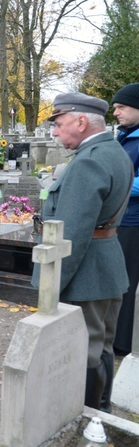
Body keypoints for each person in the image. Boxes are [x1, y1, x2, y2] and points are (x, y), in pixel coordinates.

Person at [32, 92, 133, 413]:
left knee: (87, 350)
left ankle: (86, 422)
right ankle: (100, 416)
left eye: (59, 124)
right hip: (107, 266)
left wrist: (51, 287)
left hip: (86, 273)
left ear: (81, 121)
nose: (54, 132)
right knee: (101, 344)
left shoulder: (90, 161)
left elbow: (71, 233)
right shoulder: (113, 151)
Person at [111, 83, 139, 357]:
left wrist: (113, 183)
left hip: (134, 222)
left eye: (122, 107)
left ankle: (123, 343)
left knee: (128, 282)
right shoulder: (125, 136)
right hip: (121, 218)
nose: (116, 112)